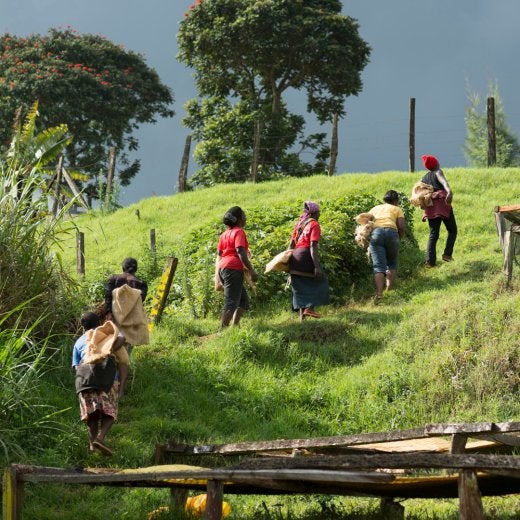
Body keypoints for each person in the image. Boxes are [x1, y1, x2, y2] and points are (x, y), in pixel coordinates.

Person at [72, 311, 127, 456]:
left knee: (92, 414)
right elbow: (122, 338)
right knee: (110, 412)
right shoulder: (105, 333)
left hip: (83, 378)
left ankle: (92, 449)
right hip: (105, 377)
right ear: (100, 322)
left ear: (83, 327)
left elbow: (76, 366)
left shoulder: (78, 342)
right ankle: (100, 438)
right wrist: (107, 350)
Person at [216, 206, 258, 328]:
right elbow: (239, 251)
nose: (246, 218)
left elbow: (220, 254)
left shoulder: (224, 234)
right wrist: (251, 270)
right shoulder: (239, 232)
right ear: (239, 219)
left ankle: (234, 327)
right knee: (231, 302)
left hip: (223, 268)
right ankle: (222, 330)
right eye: (244, 216)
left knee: (243, 301)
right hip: (232, 269)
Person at [288, 201, 329, 321]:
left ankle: (302, 319)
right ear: (315, 213)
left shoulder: (300, 224)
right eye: (319, 212)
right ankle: (310, 308)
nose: (319, 214)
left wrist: (288, 261)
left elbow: (291, 244)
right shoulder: (314, 224)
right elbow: (313, 246)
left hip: (295, 257)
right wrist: (316, 266)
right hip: (305, 256)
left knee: (300, 287)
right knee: (320, 281)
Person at [367, 190, 406, 304]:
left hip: (376, 233)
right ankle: (389, 289)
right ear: (395, 200)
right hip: (392, 232)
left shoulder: (375, 208)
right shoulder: (397, 209)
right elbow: (401, 226)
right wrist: (400, 237)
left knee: (378, 265)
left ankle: (379, 294)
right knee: (392, 262)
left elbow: (366, 223)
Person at [104, 257, 149, 354]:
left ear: (123, 267)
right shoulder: (141, 284)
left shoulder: (113, 279)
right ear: (136, 269)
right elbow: (141, 300)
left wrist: (108, 313)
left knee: (113, 343)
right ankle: (125, 364)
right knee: (128, 346)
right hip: (132, 320)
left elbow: (107, 297)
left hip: (115, 318)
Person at [420, 155, 457, 267]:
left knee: (433, 233)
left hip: (430, 205)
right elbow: (444, 182)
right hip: (442, 203)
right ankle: (447, 255)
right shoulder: (438, 171)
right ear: (435, 164)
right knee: (452, 230)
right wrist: (449, 191)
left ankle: (430, 261)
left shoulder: (424, 178)